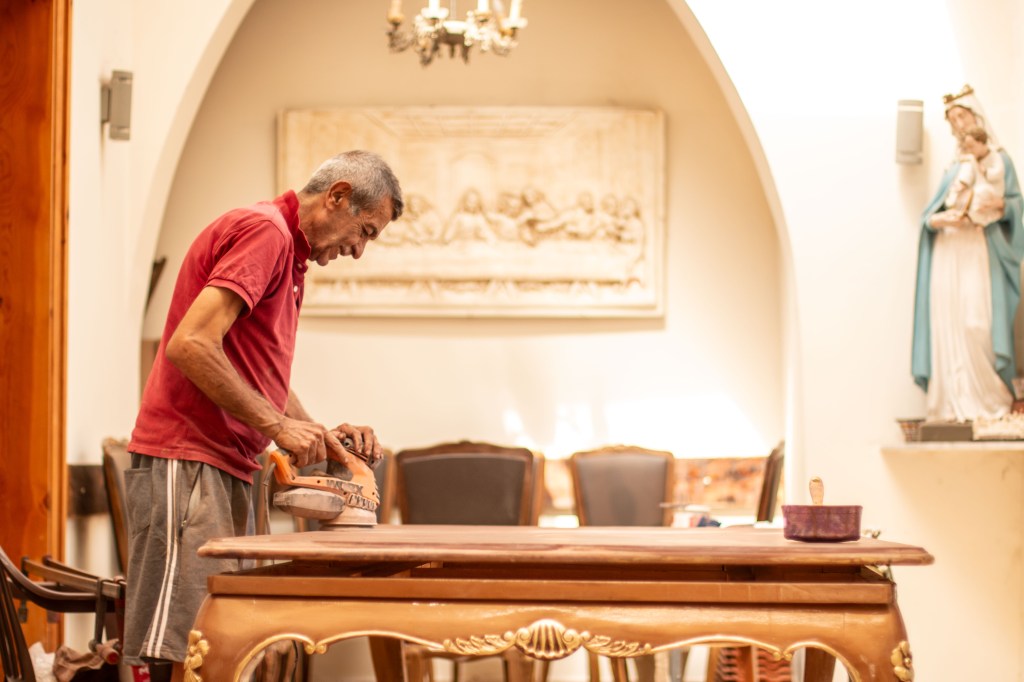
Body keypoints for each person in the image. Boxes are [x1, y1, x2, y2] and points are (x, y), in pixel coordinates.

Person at [122, 150, 403, 679]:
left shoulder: (290, 253)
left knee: (225, 641)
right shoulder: (265, 232)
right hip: (190, 456)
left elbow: (256, 368)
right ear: (337, 196)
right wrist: (278, 426)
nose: (359, 250)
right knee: (190, 646)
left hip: (226, 462)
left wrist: (317, 433)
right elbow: (190, 343)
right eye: (364, 231)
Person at [911, 87, 1024, 422]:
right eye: (952, 120)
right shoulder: (953, 166)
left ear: (976, 117)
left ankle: (990, 399)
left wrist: (997, 205)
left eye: (962, 116)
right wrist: (937, 220)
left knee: (977, 323)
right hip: (948, 251)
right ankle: (950, 402)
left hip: (979, 247)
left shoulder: (999, 160)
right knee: (949, 323)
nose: (958, 125)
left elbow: (1015, 206)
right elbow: (932, 212)